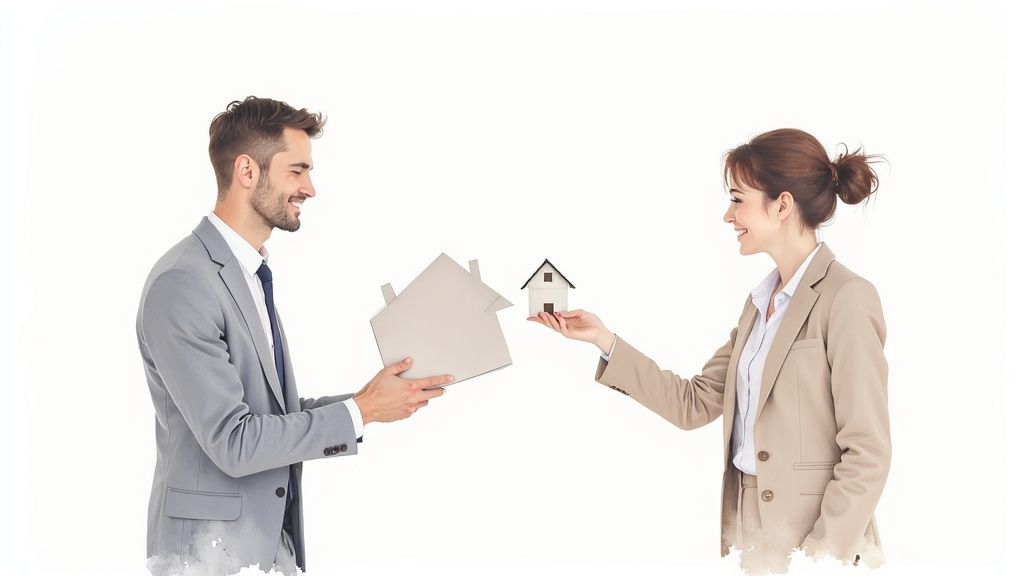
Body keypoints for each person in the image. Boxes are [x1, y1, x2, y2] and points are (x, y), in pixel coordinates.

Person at [529, 128, 890, 573]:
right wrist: (604, 340)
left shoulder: (847, 297)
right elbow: (694, 403)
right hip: (751, 538)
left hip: (817, 545)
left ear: (781, 204)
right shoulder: (759, 305)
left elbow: (867, 453)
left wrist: (816, 561)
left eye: (738, 199)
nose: (727, 215)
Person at [136, 96, 451, 575]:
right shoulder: (184, 283)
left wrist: (375, 400)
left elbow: (271, 416)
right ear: (247, 170)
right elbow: (234, 441)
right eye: (297, 171)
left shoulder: (248, 271)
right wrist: (362, 410)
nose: (311, 188)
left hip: (266, 549)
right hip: (207, 557)